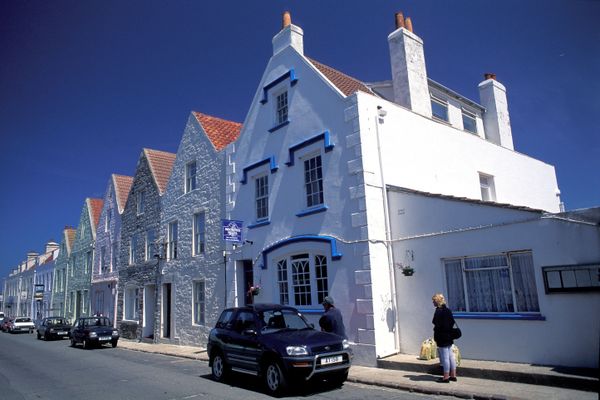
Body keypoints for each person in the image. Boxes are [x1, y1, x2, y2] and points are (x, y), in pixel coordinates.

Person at [432, 293, 457, 383]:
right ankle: (453, 375)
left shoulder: (438, 311)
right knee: (451, 356)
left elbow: (435, 322)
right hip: (449, 336)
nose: (433, 302)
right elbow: (452, 322)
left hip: (442, 336)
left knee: (445, 357)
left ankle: (446, 377)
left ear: (438, 301)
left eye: (434, 300)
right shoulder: (448, 310)